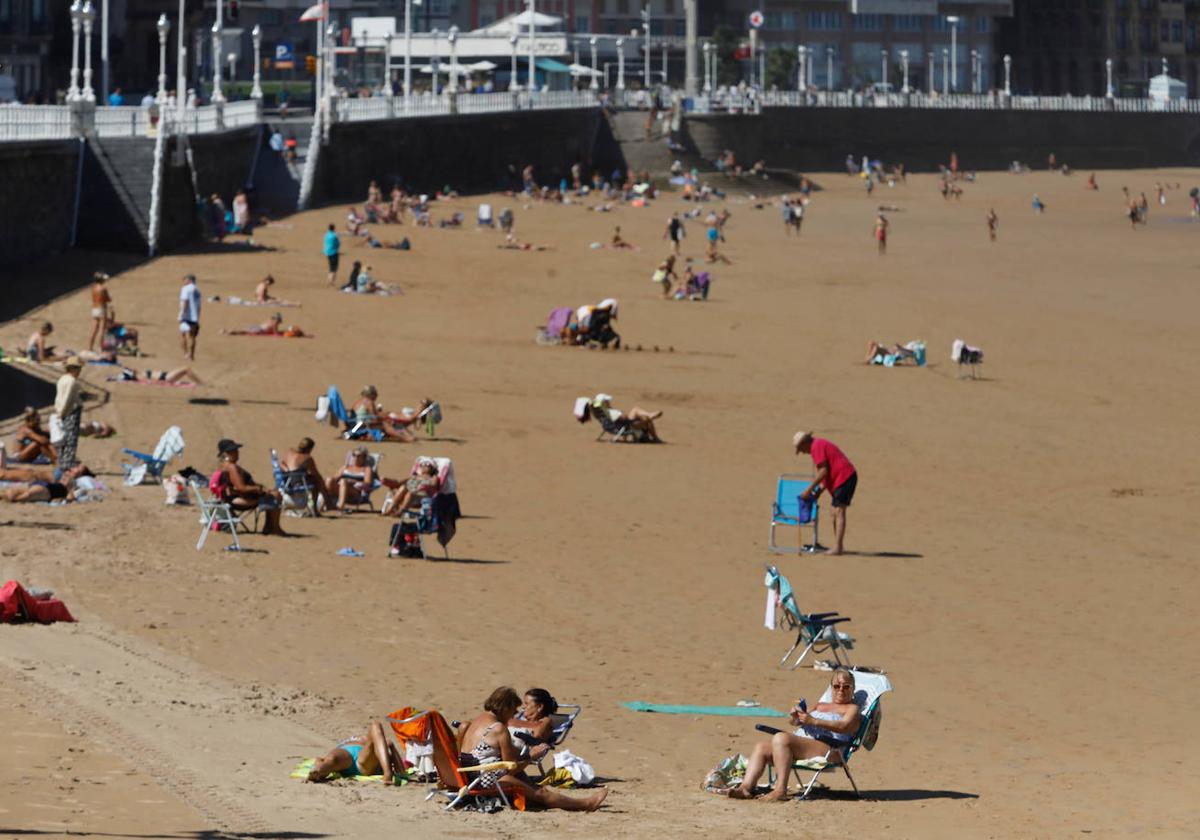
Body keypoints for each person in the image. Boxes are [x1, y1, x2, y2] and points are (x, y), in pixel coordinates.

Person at [455, 687, 607, 811]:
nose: (514, 714)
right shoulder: (498, 728)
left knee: (527, 783)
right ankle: (586, 804)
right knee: (541, 793)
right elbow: (510, 769)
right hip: (485, 780)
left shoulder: (476, 721)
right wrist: (531, 757)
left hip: (467, 777)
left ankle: (538, 795)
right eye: (513, 710)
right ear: (505, 707)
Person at [728, 670, 861, 801]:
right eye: (837, 686)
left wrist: (814, 721)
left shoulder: (852, 709)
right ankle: (745, 788)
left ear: (853, 689)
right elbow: (796, 722)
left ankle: (780, 790)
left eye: (846, 686)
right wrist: (795, 717)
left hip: (830, 747)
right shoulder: (820, 705)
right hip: (805, 744)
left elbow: (844, 726)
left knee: (782, 738)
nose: (841, 690)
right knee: (761, 747)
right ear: (831, 687)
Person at [794, 430, 857, 556]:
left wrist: (809, 490)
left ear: (805, 443)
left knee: (839, 511)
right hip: (841, 479)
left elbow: (823, 472)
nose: (802, 452)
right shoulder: (817, 446)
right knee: (834, 512)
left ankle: (838, 548)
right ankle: (838, 546)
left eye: (801, 448)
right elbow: (826, 475)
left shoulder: (816, 446)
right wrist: (819, 492)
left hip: (845, 477)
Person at [216, 439, 286, 536]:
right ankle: (274, 528)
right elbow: (241, 488)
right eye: (233, 451)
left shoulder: (223, 466)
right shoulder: (232, 467)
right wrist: (259, 489)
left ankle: (269, 526)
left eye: (236, 450)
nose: (237, 453)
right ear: (226, 454)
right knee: (276, 495)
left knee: (272, 494)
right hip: (239, 501)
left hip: (231, 499)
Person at [307, 721, 404, 783]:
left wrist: (392, 746)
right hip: (346, 752)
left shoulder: (380, 749)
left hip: (364, 760)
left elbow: (402, 772)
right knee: (332, 759)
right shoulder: (379, 746)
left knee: (376, 725)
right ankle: (318, 770)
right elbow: (320, 758)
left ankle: (388, 774)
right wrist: (318, 761)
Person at [280, 437, 331, 512]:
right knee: (317, 481)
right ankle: (316, 509)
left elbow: (282, 464)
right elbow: (317, 475)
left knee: (312, 478)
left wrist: (288, 470)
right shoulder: (308, 458)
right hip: (296, 484)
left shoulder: (290, 452)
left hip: (286, 482)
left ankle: (327, 502)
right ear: (309, 449)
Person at [0, 464, 94, 504]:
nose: (75, 467)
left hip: (47, 488)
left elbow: (70, 496)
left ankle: (13, 500)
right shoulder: (66, 472)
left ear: (81, 474)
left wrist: (66, 495)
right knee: (11, 492)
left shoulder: (74, 481)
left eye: (78, 468)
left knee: (26, 495)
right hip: (40, 482)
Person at [350, 387, 418, 441]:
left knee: (385, 421)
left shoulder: (357, 402)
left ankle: (404, 435)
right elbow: (374, 418)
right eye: (375, 394)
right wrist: (385, 419)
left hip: (354, 425)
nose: (376, 396)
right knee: (385, 424)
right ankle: (404, 438)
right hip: (362, 425)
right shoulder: (369, 402)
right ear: (372, 394)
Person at [325, 445, 376, 513]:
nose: (355, 457)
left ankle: (340, 506)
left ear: (364, 458)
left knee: (344, 481)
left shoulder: (366, 469)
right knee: (329, 480)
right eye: (354, 455)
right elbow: (335, 478)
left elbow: (368, 483)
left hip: (356, 491)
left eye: (358, 456)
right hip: (341, 488)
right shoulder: (346, 467)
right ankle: (323, 505)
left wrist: (353, 482)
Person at [54, 356, 83, 469]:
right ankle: (67, 463)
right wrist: (62, 413)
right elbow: (67, 398)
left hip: (62, 410)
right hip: (70, 411)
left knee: (62, 438)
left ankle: (62, 461)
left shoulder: (62, 379)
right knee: (70, 438)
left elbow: (59, 397)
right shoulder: (71, 381)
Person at [178, 274, 201, 361]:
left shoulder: (185, 289)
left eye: (185, 280)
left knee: (183, 335)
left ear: (189, 280)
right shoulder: (197, 290)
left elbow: (185, 301)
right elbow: (199, 306)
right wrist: (197, 317)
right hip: (194, 317)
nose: (184, 282)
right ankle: (192, 355)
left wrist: (182, 314)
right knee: (192, 337)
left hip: (186, 315)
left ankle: (185, 353)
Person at [88, 272, 112, 350]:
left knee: (94, 329)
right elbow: (108, 299)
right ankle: (100, 347)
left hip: (94, 309)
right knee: (102, 329)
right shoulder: (103, 288)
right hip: (101, 309)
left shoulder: (93, 288)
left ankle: (90, 347)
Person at [109, 366, 203, 385]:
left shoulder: (139, 373)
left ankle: (199, 382)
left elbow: (120, 377)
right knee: (187, 369)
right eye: (130, 369)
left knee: (186, 370)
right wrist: (163, 383)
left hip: (167, 376)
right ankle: (200, 383)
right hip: (166, 378)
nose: (132, 367)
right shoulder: (139, 376)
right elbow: (149, 381)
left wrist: (114, 378)